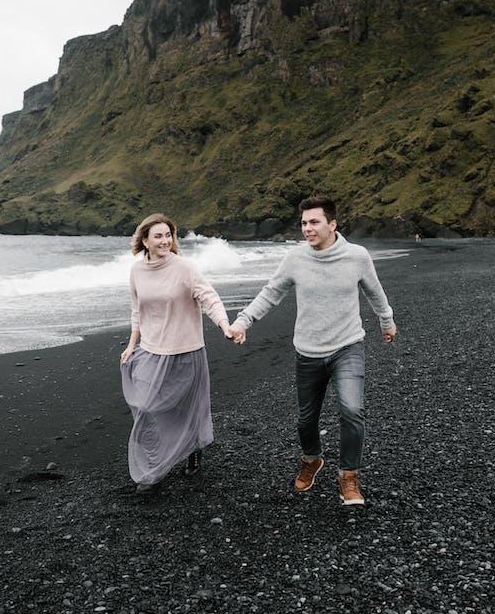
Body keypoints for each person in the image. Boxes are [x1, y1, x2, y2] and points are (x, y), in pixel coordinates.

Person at [230, 195, 396, 506]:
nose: (307, 228)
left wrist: (387, 322)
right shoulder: (295, 259)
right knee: (306, 420)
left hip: (348, 346)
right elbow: (271, 292)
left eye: (314, 222)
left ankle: (348, 476)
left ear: (332, 224)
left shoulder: (357, 257)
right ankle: (312, 460)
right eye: (304, 223)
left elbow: (374, 291)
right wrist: (243, 321)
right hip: (307, 352)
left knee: (351, 410)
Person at [120, 213, 233, 493]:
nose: (165, 241)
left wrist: (224, 325)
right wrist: (131, 344)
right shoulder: (136, 271)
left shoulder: (184, 268)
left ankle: (191, 448)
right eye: (158, 236)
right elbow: (137, 311)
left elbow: (209, 298)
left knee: (184, 408)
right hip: (149, 350)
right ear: (144, 240)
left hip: (185, 350)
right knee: (146, 406)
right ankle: (152, 465)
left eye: (169, 235)